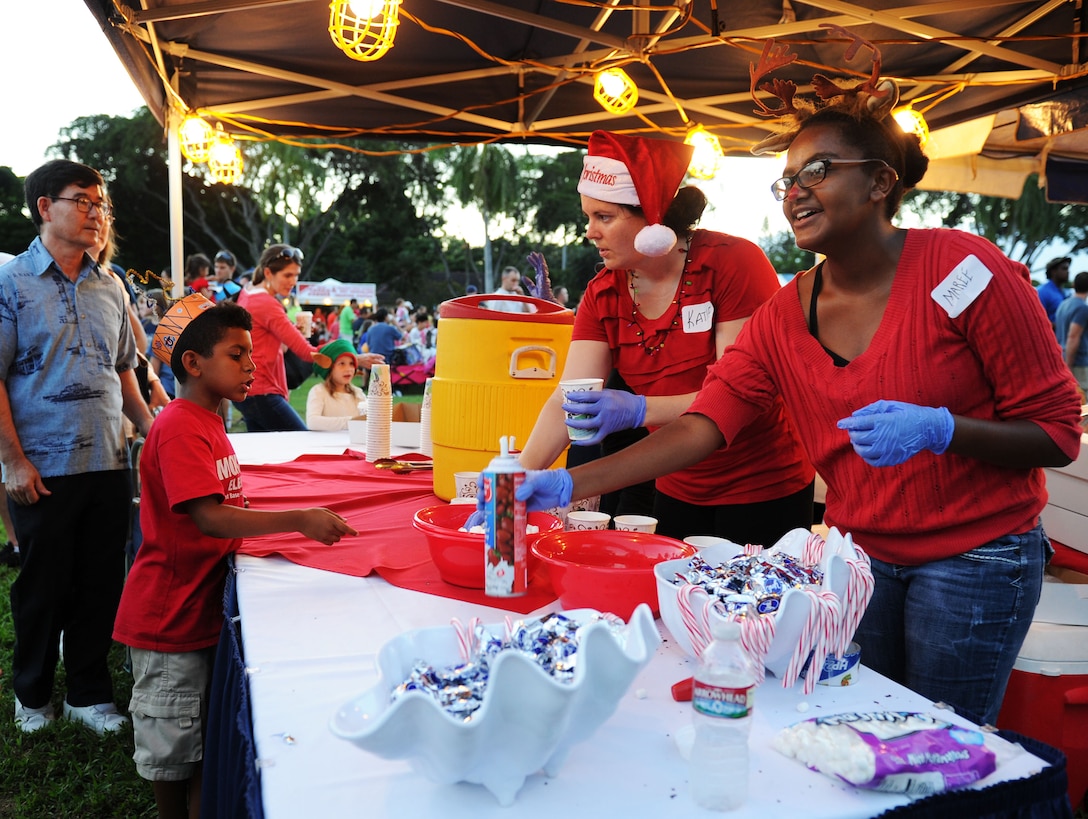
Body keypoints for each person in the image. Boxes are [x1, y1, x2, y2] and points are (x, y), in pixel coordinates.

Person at [511, 57, 1084, 726]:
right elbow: (704, 424)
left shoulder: (964, 269)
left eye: (818, 170)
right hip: (857, 560)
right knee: (861, 729)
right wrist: (564, 480)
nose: (795, 191)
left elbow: (1057, 433)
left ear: (879, 181)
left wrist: (943, 428)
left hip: (976, 554)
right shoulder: (786, 314)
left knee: (940, 744)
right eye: (787, 179)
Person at [116, 296, 356, 819]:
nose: (253, 365)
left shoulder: (211, 420)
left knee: (199, 738)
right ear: (193, 363)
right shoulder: (179, 425)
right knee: (171, 750)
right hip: (168, 620)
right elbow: (211, 516)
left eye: (251, 353)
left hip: (197, 613)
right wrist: (298, 520)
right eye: (237, 354)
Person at [518, 131, 814, 544]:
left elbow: (738, 395)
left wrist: (640, 409)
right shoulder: (603, 295)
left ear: (654, 219)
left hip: (762, 486)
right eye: (589, 217)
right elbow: (565, 400)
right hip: (674, 482)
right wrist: (515, 478)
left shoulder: (731, 264)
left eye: (604, 217)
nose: (590, 232)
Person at [0, 159, 155, 734]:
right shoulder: (10, 282)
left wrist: (153, 428)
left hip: (109, 460)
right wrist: (12, 460)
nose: (96, 214)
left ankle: (89, 694)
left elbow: (123, 372)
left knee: (100, 583)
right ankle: (32, 695)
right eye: (83, 201)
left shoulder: (110, 284)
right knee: (43, 585)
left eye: (101, 206)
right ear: (45, 207)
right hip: (42, 464)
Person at [234, 244, 382, 432]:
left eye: (296, 275)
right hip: (262, 390)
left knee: (267, 455)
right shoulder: (267, 303)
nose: (293, 281)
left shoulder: (248, 293)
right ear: (268, 273)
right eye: (288, 275)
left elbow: (260, 336)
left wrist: (290, 330)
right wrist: (354, 358)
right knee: (303, 441)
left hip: (249, 388)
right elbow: (307, 352)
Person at [306, 339, 366, 430]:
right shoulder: (319, 391)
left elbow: (368, 419)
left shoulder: (358, 394)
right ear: (329, 368)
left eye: (351, 364)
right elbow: (313, 422)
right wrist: (352, 421)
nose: (348, 369)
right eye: (342, 364)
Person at [1056, 271, 1088, 400]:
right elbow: (1073, 337)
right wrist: (1068, 367)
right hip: (1077, 363)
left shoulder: (1064, 304)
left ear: (1074, 285)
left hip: (1062, 357)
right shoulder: (1082, 308)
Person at [1037, 256, 1072, 330]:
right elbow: (1038, 320)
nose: (1068, 272)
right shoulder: (1042, 292)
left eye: (1068, 269)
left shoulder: (1067, 293)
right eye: (1064, 269)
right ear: (1053, 271)